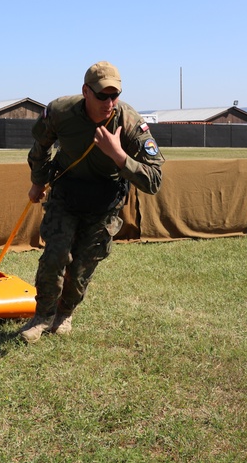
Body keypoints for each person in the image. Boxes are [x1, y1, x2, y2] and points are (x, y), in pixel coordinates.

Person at [20, 61, 164, 343]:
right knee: (55, 255)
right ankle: (42, 317)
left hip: (104, 201)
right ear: (86, 91)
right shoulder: (61, 112)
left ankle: (65, 313)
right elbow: (40, 147)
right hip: (66, 194)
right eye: (101, 95)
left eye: (115, 95)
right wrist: (38, 181)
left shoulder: (130, 122)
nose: (109, 102)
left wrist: (119, 156)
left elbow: (154, 180)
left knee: (82, 267)